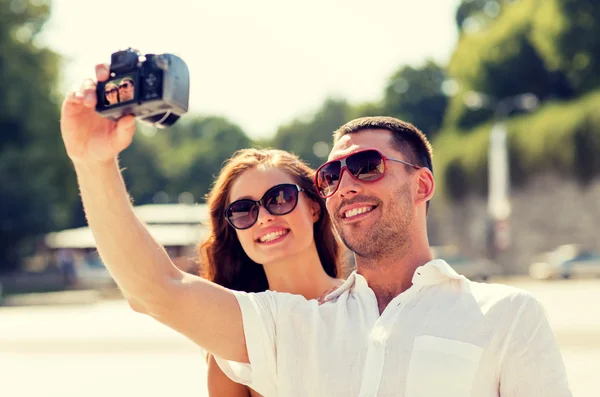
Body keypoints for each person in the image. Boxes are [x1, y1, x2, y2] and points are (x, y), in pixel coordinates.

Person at [60, 63, 571, 397]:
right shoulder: (294, 325)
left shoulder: (507, 316)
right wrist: (92, 161)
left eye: (366, 165)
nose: (344, 184)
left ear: (421, 185)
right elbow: (158, 290)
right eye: (330, 175)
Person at [199, 148, 344, 396]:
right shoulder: (235, 339)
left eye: (279, 198)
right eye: (243, 210)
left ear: (313, 207)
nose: (264, 218)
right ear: (234, 230)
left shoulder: (369, 301)